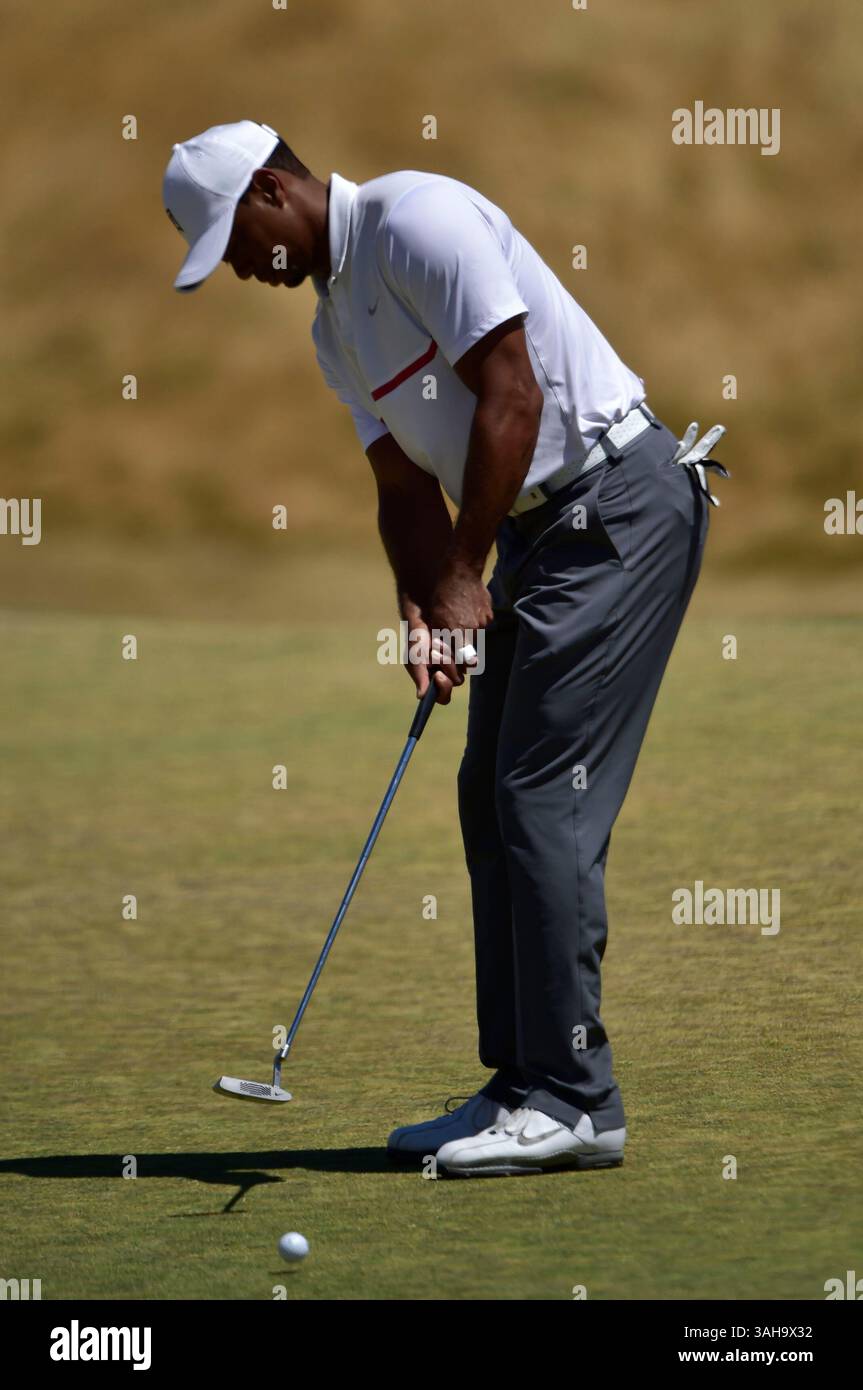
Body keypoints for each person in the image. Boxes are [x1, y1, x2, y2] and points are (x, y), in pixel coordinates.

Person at [164, 120, 727, 1177]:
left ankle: (574, 1096)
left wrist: (468, 577)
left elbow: (514, 395)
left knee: (538, 794)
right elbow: (401, 487)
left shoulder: (415, 218)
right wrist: (424, 604)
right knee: (489, 792)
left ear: (273, 190)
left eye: (237, 244)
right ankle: (519, 1081)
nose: (242, 270)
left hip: (613, 508)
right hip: (536, 536)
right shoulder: (336, 328)